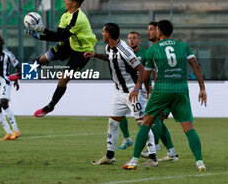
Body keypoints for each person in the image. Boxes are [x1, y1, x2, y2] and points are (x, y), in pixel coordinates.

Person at [123, 20, 207, 171]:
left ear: (159, 32)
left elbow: (146, 75)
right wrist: (202, 88)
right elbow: (195, 65)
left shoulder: (153, 50)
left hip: (161, 90)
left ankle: (134, 160)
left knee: (146, 122)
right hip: (181, 91)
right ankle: (200, 162)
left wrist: (146, 89)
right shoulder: (183, 46)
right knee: (189, 128)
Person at [84, 23, 157, 167]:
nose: (102, 34)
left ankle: (153, 158)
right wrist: (95, 55)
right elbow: (109, 57)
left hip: (132, 90)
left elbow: (141, 69)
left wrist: (136, 89)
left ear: (109, 34)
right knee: (112, 122)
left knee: (142, 123)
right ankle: (109, 156)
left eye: (104, 32)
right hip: (118, 92)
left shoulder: (125, 50)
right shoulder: (108, 46)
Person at [25, 0, 97, 117]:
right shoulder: (66, 14)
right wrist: (40, 35)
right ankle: (24, 74)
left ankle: (50, 106)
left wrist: (41, 31)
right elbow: (59, 36)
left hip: (83, 52)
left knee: (63, 80)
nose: (65, 0)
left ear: (74, 3)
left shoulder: (78, 19)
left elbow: (59, 37)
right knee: (43, 59)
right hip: (70, 44)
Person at [141, 21, 179, 162]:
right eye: (148, 29)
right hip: (162, 89)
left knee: (154, 118)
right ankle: (171, 153)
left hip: (167, 90)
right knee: (159, 121)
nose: (148, 32)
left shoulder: (159, 49)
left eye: (151, 29)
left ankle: (154, 146)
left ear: (159, 31)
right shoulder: (156, 49)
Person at [0, 34, 21, 140]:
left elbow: (17, 66)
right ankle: (8, 132)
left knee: (3, 102)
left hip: (6, 81)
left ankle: (16, 130)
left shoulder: (7, 54)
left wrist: (16, 79)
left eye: (0, 41)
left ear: (3, 43)